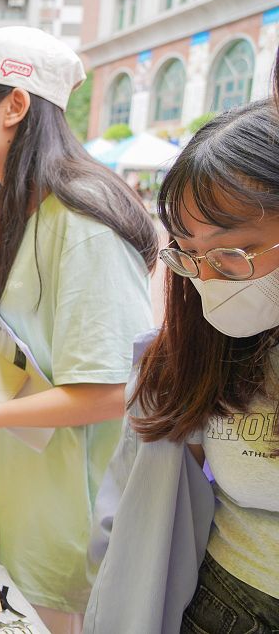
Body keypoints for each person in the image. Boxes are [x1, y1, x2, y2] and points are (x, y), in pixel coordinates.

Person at [0, 26, 158, 632]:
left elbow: (108, 391)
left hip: (65, 521)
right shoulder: (26, 210)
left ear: (15, 106)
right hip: (20, 499)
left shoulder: (81, 223)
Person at [86, 99, 279, 633]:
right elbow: (134, 506)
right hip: (220, 604)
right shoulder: (193, 353)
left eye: (234, 252)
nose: (208, 279)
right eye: (189, 253)